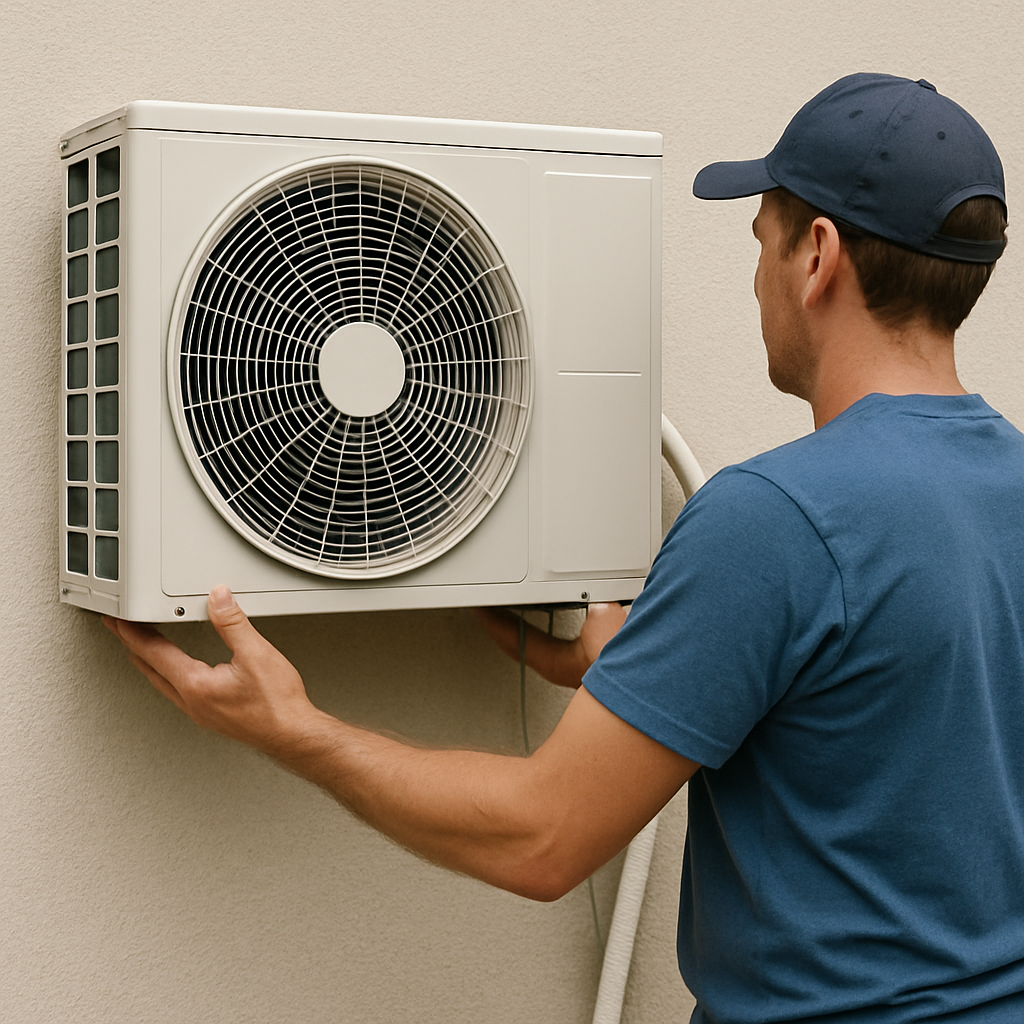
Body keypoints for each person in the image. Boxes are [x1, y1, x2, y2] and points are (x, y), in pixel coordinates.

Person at [105, 73, 1023, 1022]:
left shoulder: (775, 519)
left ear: (817, 256)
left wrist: (292, 730)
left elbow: (540, 839)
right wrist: (665, 675)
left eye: (761, 242)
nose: (756, 281)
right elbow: (908, 721)